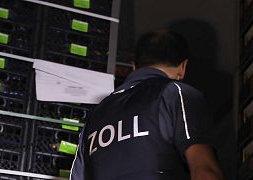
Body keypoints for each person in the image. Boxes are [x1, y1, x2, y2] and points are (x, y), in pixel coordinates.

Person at [69, 30, 223, 180]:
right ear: (182, 67)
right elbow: (204, 170)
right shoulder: (177, 93)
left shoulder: (96, 115)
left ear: (134, 66)